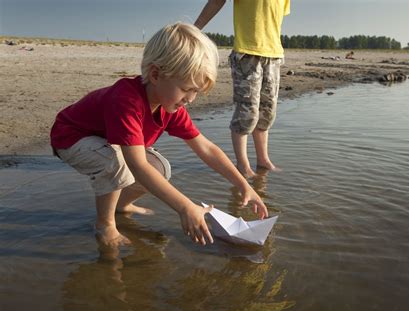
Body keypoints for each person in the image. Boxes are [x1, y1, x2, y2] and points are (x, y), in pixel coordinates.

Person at [50, 22, 268, 248]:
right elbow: (137, 166)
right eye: (186, 89)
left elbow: (206, 148)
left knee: (160, 168)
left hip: (105, 140)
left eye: (196, 92)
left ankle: (121, 205)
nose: (190, 99)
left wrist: (244, 185)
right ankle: (105, 224)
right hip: (71, 137)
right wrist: (185, 207)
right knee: (118, 164)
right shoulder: (127, 100)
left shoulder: (170, 106)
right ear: (155, 74)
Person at [195, 0, 291, 177]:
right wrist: (195, 29)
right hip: (247, 54)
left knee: (267, 112)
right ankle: (243, 165)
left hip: (274, 54)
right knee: (247, 113)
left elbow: (272, 18)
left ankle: (263, 160)